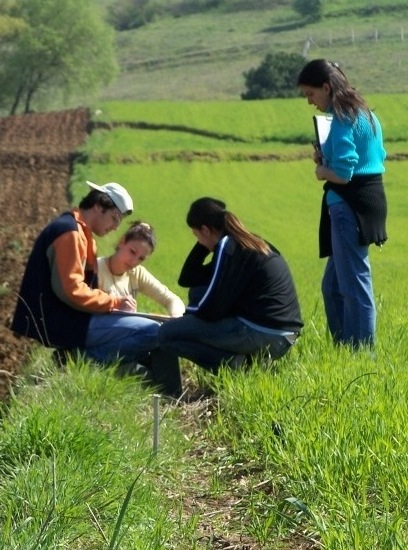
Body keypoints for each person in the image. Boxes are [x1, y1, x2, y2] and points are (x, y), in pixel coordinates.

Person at [10, 180, 182, 395]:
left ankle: (166, 393)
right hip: (63, 322)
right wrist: (114, 302)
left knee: (151, 330)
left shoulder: (80, 232)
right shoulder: (69, 232)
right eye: (114, 218)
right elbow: (71, 290)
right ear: (99, 206)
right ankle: (80, 359)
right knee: (155, 332)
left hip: (74, 319)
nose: (115, 227)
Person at [158, 197, 303, 385]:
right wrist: (205, 241)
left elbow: (212, 309)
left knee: (166, 334)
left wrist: (185, 318)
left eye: (197, 235)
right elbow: (189, 278)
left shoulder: (229, 247)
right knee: (198, 291)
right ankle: (247, 362)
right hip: (282, 336)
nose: (199, 242)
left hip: (262, 334)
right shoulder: (248, 243)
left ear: (205, 229)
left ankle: (234, 364)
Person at [297, 59, 388, 349]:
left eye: (311, 94)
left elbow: (344, 172)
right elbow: (377, 156)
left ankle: (361, 354)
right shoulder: (366, 114)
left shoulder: (341, 117)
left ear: (326, 87)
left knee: (354, 286)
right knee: (333, 286)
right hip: (367, 201)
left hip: (349, 206)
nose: (309, 101)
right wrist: (326, 157)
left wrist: (322, 171)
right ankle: (344, 348)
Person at [98, 220, 185, 318]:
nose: (134, 261)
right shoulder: (95, 268)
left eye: (141, 258)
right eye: (132, 252)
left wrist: (175, 317)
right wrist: (116, 305)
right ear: (122, 242)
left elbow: (172, 299)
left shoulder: (137, 273)